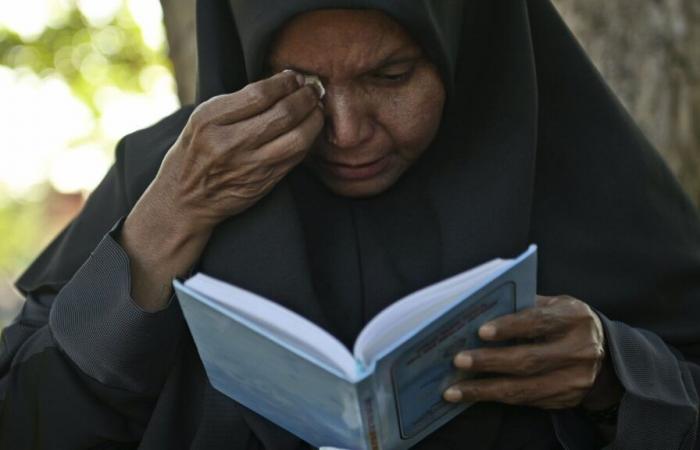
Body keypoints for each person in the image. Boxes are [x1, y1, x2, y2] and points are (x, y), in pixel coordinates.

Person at [1, 0, 699, 448]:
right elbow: (26, 423)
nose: (344, 130)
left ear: (466, 52)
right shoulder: (170, 176)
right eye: (301, 84)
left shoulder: (584, 176)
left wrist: (619, 376)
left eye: (390, 77)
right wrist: (159, 231)